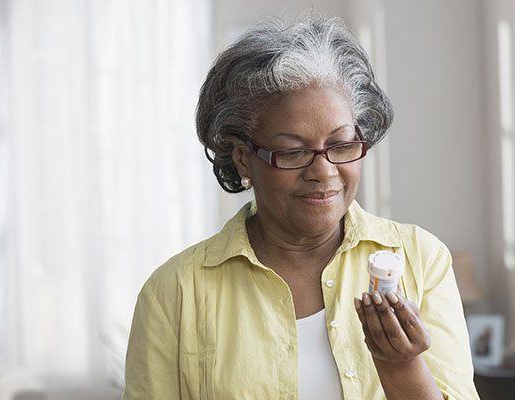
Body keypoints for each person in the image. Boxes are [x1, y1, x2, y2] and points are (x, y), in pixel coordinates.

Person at [123, 14, 479, 400]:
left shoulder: (420, 260)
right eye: (293, 152)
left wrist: (402, 367)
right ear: (243, 158)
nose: (323, 172)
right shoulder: (174, 293)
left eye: (341, 145)